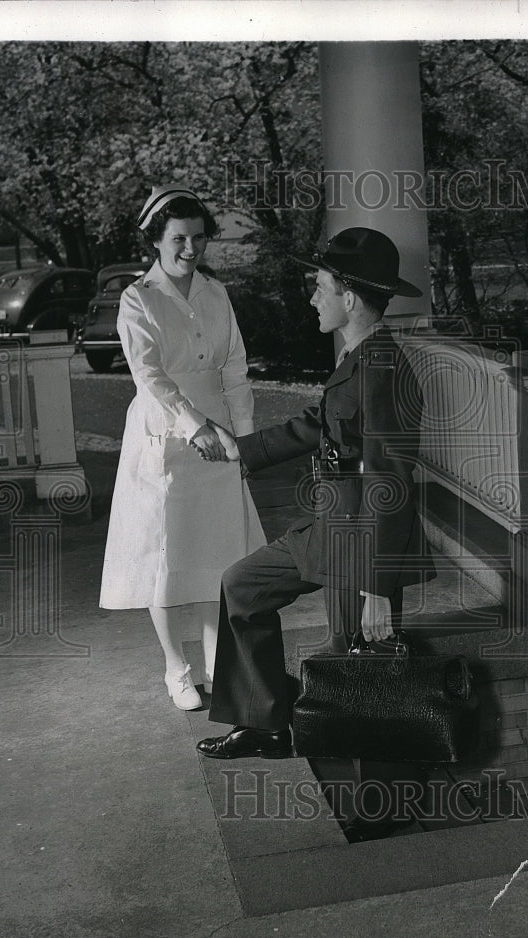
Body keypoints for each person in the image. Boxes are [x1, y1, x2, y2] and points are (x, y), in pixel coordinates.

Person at [196, 227, 435, 778]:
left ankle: (379, 796)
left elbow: (389, 478)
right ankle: (268, 722)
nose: (313, 298)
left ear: (349, 297)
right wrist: (244, 449)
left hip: (362, 539)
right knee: (242, 587)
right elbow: (319, 425)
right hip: (332, 522)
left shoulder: (380, 366)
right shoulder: (358, 356)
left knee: (355, 659)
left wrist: (377, 585)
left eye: (320, 286)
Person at [99, 184, 265, 710]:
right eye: (179, 239)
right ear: (157, 240)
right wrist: (196, 428)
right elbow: (149, 375)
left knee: (222, 554)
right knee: (167, 556)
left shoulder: (216, 294)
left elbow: (235, 367)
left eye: (198, 238)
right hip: (167, 437)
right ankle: (177, 668)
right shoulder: (137, 299)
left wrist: (242, 437)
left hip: (221, 435)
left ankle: (220, 666)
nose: (190, 249)